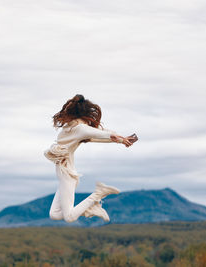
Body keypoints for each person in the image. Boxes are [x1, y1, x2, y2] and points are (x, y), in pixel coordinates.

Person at [44, 94, 138, 223]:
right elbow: (94, 136)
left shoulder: (80, 128)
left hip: (67, 175)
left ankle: (98, 193)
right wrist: (118, 139)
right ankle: (90, 209)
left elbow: (100, 134)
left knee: (70, 217)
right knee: (54, 214)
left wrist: (120, 139)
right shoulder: (71, 127)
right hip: (62, 174)